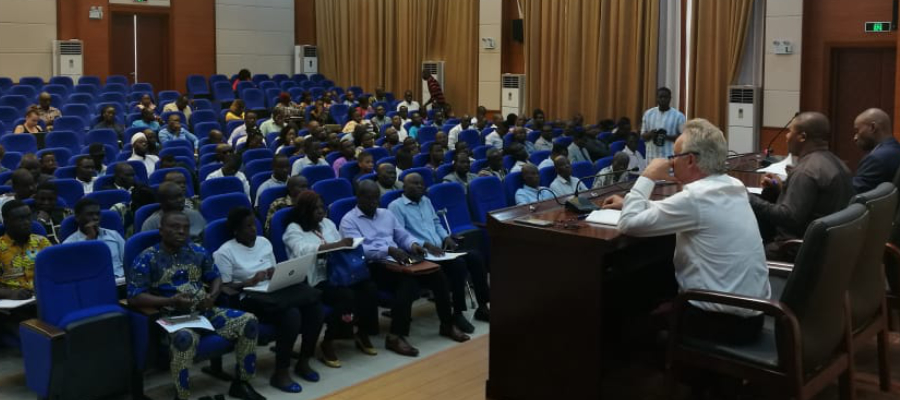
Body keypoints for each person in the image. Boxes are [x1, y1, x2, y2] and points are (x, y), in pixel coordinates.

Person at [601, 118, 770, 345]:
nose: (670, 163)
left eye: (674, 156)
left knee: (631, 311)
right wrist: (633, 203)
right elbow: (686, 211)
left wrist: (648, 175)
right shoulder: (731, 185)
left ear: (690, 160)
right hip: (752, 313)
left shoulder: (696, 198)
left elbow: (629, 224)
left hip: (721, 323)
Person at [128, 211, 265, 400]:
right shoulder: (146, 258)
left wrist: (212, 295)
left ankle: (242, 382)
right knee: (185, 339)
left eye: (185, 228)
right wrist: (171, 301)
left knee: (249, 321)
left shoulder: (197, 251)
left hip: (204, 311)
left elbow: (215, 277)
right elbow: (135, 297)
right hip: (172, 319)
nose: (181, 232)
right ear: (161, 230)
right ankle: (182, 396)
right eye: (175, 227)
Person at [340, 181, 469, 356]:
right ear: (359, 198)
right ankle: (395, 336)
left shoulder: (386, 214)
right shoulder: (349, 220)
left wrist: (414, 245)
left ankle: (446, 324)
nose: (374, 202)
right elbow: (359, 251)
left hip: (398, 258)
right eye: (369, 198)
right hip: (373, 266)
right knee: (408, 283)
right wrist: (388, 250)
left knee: (436, 273)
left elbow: (402, 235)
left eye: (376, 198)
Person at [213, 207, 323, 392]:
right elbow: (224, 288)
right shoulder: (224, 252)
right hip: (247, 297)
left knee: (314, 308)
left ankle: (304, 361)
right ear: (236, 231)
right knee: (291, 315)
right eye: (247, 227)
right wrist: (248, 281)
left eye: (254, 225)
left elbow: (273, 268)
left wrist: (274, 273)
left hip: (272, 291)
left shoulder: (264, 242)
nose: (253, 229)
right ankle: (281, 372)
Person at [283, 191, 380, 367]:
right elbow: (301, 250)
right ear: (305, 210)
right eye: (316, 208)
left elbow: (339, 247)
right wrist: (334, 245)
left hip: (337, 272)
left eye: (322, 207)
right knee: (346, 296)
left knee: (369, 288)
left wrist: (347, 245)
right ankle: (328, 341)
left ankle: (362, 332)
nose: (321, 211)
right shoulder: (294, 229)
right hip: (315, 279)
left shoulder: (327, 223)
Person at [388, 173, 491, 332]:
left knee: (476, 257)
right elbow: (400, 235)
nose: (419, 186)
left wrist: (446, 237)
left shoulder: (426, 201)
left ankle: (482, 307)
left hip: (441, 250)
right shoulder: (396, 206)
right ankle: (457, 313)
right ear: (404, 186)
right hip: (421, 254)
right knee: (459, 265)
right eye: (415, 183)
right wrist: (426, 245)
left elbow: (437, 223)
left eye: (421, 183)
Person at [749, 112, 854, 260]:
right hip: (827, 247)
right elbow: (814, 203)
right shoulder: (838, 163)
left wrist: (749, 199)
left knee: (742, 254)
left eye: (790, 131)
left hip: (796, 250)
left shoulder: (805, 171)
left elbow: (788, 217)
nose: (786, 136)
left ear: (802, 137)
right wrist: (780, 189)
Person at [0, 200, 51, 298]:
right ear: (6, 222)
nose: (27, 222)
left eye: (28, 217)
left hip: (43, 296)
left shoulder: (42, 242)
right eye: (20, 219)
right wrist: (11, 294)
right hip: (12, 305)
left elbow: (56, 271)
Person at [63, 198, 125, 278]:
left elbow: (127, 260)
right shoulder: (68, 244)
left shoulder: (114, 235)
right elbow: (76, 272)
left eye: (98, 214)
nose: (95, 218)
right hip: (91, 285)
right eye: (90, 214)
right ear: (77, 217)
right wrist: (90, 239)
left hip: (120, 282)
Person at [852, 108, 900, 193]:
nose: (855, 138)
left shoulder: (876, 159)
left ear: (873, 127)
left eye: (857, 130)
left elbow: (852, 194)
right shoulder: (896, 149)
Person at [141, 182, 206, 243]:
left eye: (181, 196)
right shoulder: (151, 223)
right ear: (162, 201)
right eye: (174, 198)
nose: (180, 200)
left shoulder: (195, 215)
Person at [641, 87, 686, 160]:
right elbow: (643, 135)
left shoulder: (679, 116)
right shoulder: (648, 114)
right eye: (660, 97)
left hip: (669, 156)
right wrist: (651, 134)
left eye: (665, 97)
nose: (663, 99)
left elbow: (684, 137)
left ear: (670, 98)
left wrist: (666, 137)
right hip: (651, 157)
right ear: (657, 98)